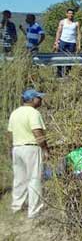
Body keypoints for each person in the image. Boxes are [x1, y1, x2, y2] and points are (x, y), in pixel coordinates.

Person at [7, 89, 49, 218]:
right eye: (38, 98)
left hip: (17, 147)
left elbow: (10, 133)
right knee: (34, 179)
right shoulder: (33, 113)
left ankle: (16, 206)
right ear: (32, 100)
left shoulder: (15, 113)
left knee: (19, 179)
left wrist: (12, 147)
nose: (41, 100)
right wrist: (45, 149)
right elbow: (37, 132)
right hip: (31, 148)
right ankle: (34, 211)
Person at [54, 9, 81, 77]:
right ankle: (59, 73)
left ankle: (67, 73)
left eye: (72, 13)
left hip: (72, 42)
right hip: (63, 41)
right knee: (60, 57)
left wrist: (79, 44)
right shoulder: (62, 21)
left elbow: (78, 34)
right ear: (67, 14)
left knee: (70, 58)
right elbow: (58, 32)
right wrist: (56, 42)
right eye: (69, 13)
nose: (71, 15)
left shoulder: (76, 23)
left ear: (73, 14)